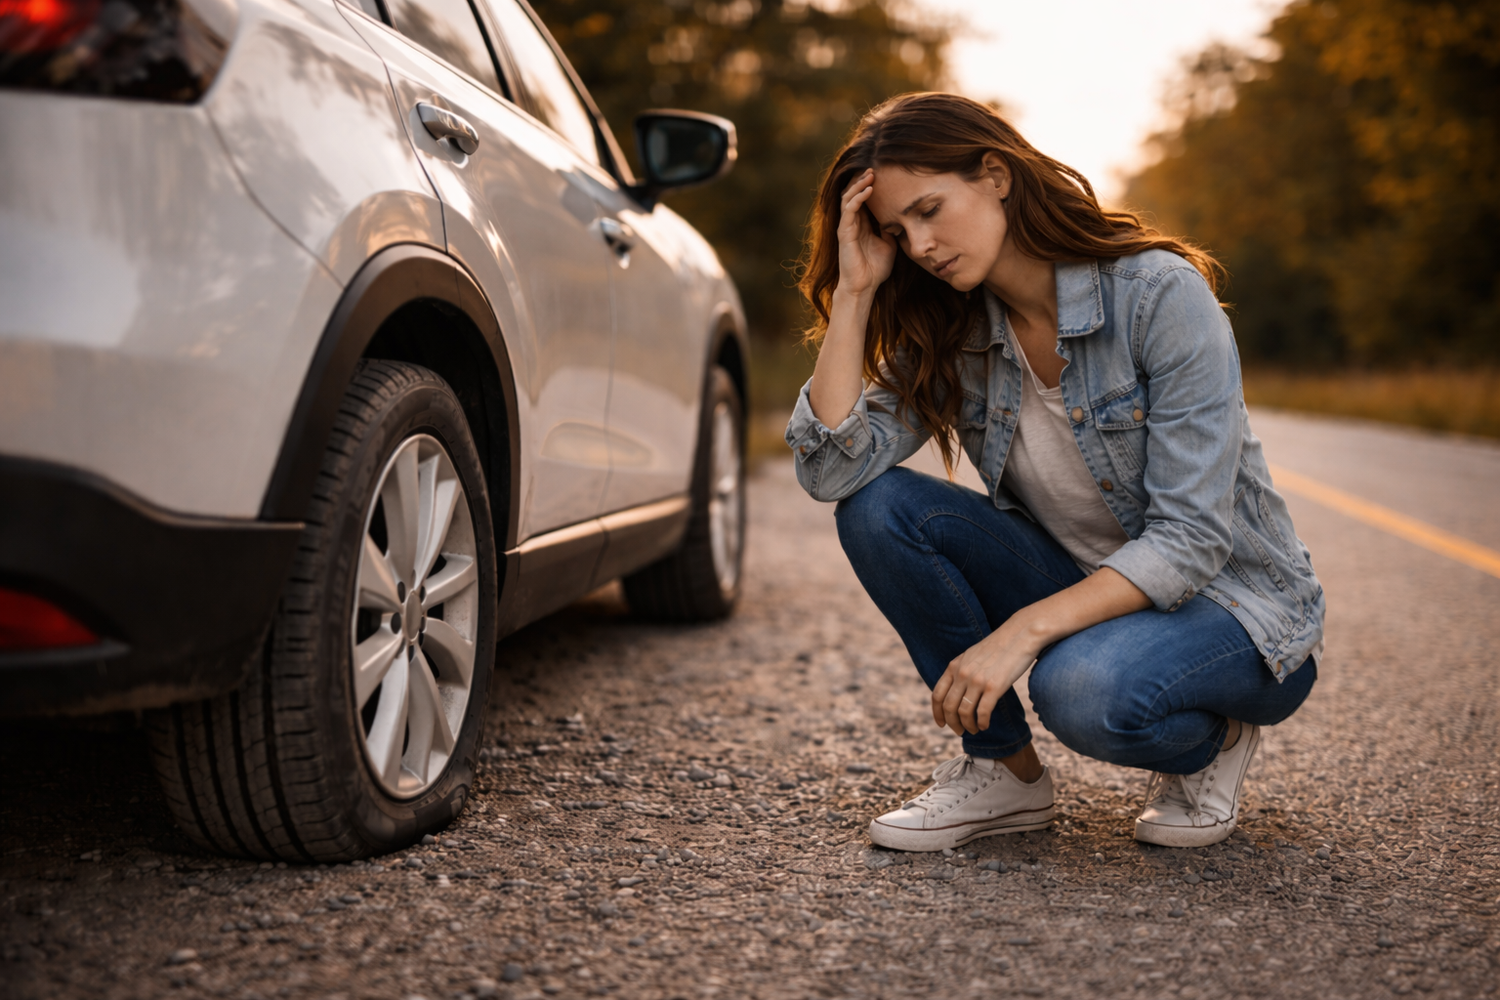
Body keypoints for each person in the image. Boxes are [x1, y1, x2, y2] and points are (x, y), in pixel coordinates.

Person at [786, 92, 1323, 851]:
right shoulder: (954, 328)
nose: (921, 245)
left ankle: (1214, 740)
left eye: (932, 210)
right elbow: (832, 472)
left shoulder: (1157, 294)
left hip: (1236, 612)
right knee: (877, 507)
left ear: (997, 174)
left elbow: (1191, 539)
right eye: (899, 233)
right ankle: (1005, 772)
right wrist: (855, 294)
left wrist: (1021, 632)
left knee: (1080, 693)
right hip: (1090, 592)